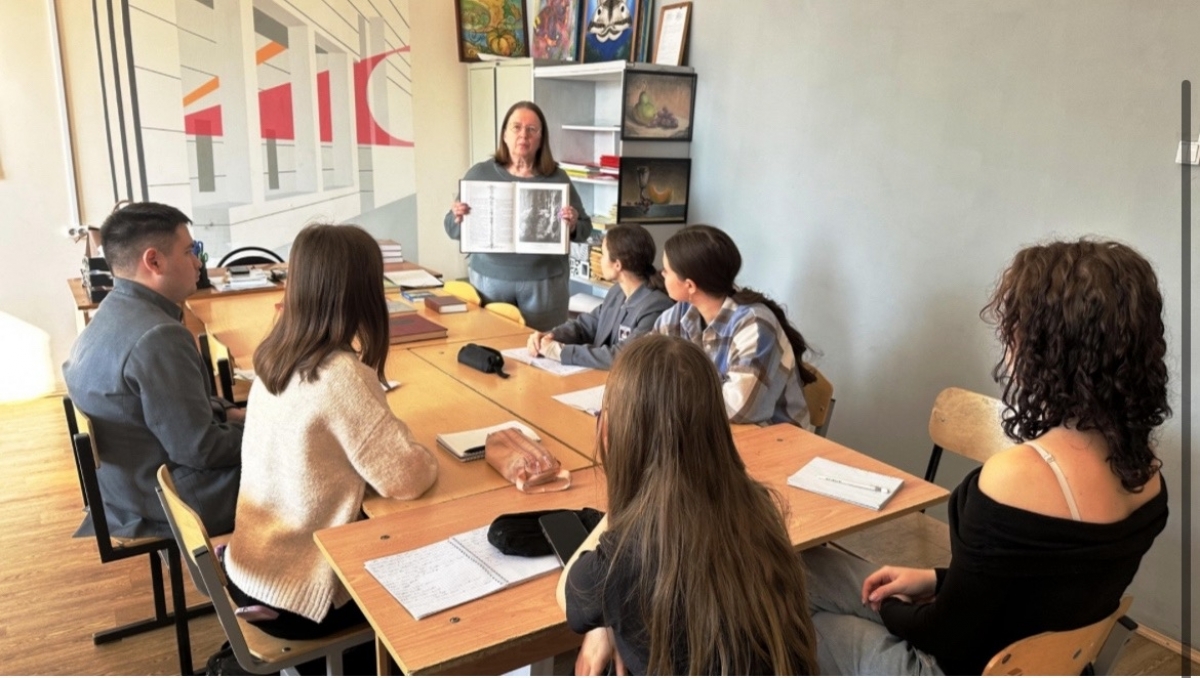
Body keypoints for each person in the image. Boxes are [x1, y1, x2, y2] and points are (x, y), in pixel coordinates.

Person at [803, 239, 1171, 676]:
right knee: (804, 570)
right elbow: (1040, 590)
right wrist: (934, 579)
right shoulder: (1146, 473)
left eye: (1012, 329)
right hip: (1040, 658)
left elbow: (947, 636)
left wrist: (887, 608)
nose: (1006, 343)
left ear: (1048, 348)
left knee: (803, 620)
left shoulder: (1013, 479)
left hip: (957, 665)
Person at [223, 224, 439, 641]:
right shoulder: (341, 375)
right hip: (301, 593)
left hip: (251, 563)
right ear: (364, 294)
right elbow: (406, 478)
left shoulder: (274, 355)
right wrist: (423, 452)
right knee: (433, 573)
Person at [556, 334, 819, 676]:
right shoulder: (758, 505)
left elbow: (570, 595)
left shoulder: (624, 558)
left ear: (610, 433)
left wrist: (601, 625)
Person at [63, 201, 242, 539]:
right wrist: (265, 431)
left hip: (125, 489)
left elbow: (163, 407)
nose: (198, 262)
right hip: (172, 499)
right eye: (189, 251)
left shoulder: (109, 311)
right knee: (310, 463)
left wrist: (227, 412)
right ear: (154, 261)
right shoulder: (159, 336)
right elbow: (200, 449)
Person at [445, 100, 592, 331]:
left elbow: (585, 228)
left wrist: (573, 224)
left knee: (544, 345)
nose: (524, 135)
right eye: (516, 127)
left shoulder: (557, 178)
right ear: (504, 134)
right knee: (492, 344)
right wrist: (457, 218)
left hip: (544, 285)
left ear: (541, 138)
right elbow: (451, 228)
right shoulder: (479, 174)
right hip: (489, 282)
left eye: (532, 129)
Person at [653, 224, 815, 426]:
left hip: (773, 436)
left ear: (690, 285)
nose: (661, 274)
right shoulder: (680, 313)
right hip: (710, 428)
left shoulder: (755, 324)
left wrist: (671, 392)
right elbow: (646, 367)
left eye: (666, 271)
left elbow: (737, 409)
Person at [526, 223, 672, 369]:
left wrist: (560, 352)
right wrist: (550, 336)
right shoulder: (617, 292)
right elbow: (585, 326)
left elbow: (623, 356)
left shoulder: (656, 306)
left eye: (603, 255)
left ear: (617, 265)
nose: (600, 260)